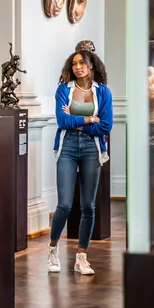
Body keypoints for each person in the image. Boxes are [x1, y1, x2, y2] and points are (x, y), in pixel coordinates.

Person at [48, 49, 113, 275]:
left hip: (91, 147)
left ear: (91, 65)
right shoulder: (63, 90)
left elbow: (106, 126)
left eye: (82, 63)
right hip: (66, 147)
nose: (78, 67)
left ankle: (81, 257)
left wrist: (77, 122)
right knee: (64, 204)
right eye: (74, 63)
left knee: (88, 205)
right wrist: (88, 118)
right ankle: (53, 250)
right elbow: (62, 121)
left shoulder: (103, 92)